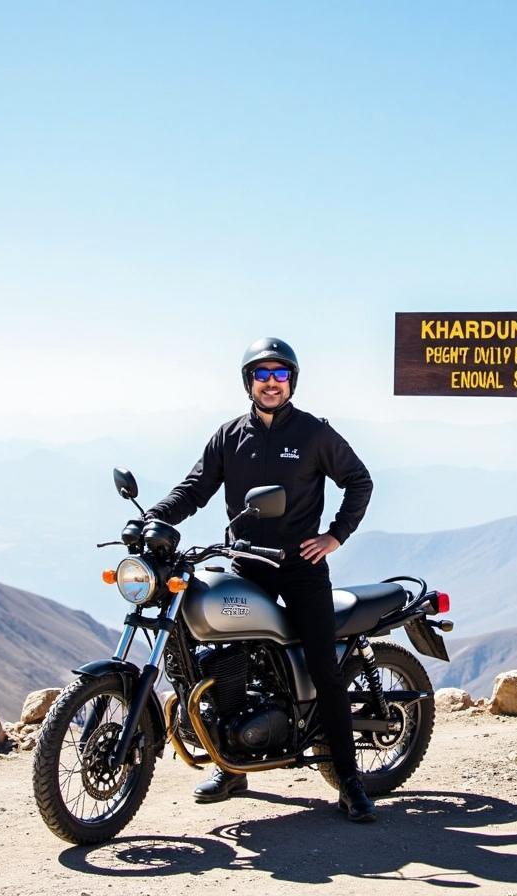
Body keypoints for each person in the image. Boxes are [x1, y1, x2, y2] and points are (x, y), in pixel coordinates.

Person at [144, 337, 377, 823]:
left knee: (322, 665)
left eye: (280, 374)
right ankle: (233, 766)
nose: (271, 383)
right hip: (247, 563)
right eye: (261, 374)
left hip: (299, 567)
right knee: (225, 657)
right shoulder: (230, 435)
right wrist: (154, 520)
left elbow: (359, 480)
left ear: (292, 380)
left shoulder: (314, 433)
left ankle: (350, 779)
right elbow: (195, 488)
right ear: (248, 381)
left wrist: (334, 536)